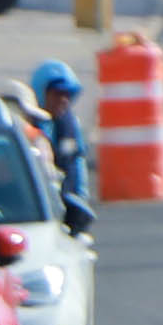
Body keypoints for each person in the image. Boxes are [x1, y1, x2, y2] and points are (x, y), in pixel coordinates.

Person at [29, 60, 94, 226]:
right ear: (40, 93)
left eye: (67, 95)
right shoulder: (26, 126)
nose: (63, 100)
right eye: (57, 94)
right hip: (38, 212)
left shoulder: (71, 127)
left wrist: (80, 204)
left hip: (65, 210)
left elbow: (77, 165)